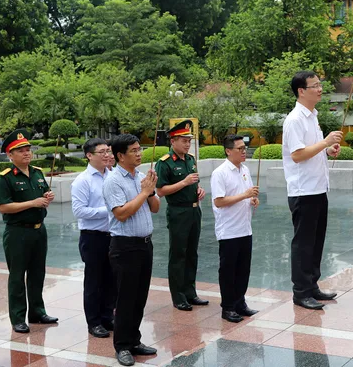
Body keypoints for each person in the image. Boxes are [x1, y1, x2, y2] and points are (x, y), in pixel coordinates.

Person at [282, 71, 342, 310]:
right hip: (302, 191)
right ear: (301, 91)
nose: (320, 89)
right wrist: (325, 142)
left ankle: (312, 286)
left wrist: (327, 149)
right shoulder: (295, 119)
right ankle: (301, 292)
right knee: (303, 243)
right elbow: (297, 155)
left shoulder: (312, 116)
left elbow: (311, 149)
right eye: (315, 85)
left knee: (316, 241)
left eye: (320, 84)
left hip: (318, 188)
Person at [103, 134, 160, 366]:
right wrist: (144, 192)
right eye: (134, 150)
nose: (139, 154)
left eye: (140, 149)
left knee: (140, 297)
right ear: (120, 156)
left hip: (145, 244)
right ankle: (122, 346)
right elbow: (122, 214)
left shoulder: (141, 178)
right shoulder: (113, 181)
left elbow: (154, 208)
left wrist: (152, 190)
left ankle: (134, 340)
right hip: (125, 246)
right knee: (126, 299)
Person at [0, 129, 58, 333]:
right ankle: (18, 318)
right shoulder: (5, 179)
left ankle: (37, 312)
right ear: (10, 155)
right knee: (17, 276)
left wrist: (47, 198)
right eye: (20, 150)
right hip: (17, 233)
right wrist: (33, 202)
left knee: (37, 273)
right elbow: (3, 207)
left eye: (28, 149)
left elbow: (41, 197)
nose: (26, 153)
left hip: (39, 231)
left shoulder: (38, 173)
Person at [156, 120, 207, 311]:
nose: (187, 144)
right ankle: (178, 296)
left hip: (195, 210)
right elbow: (161, 190)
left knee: (192, 253)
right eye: (184, 141)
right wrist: (184, 183)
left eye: (189, 141)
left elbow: (193, 182)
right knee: (178, 254)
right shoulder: (165, 163)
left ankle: (190, 292)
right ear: (173, 141)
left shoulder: (190, 159)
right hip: (178, 212)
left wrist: (199, 190)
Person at [210, 135, 260, 323]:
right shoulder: (220, 173)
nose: (243, 151)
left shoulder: (244, 169)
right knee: (228, 270)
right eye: (239, 148)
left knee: (243, 269)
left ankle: (240, 302)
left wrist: (252, 198)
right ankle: (228, 307)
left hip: (245, 228)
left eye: (244, 147)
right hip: (229, 230)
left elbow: (246, 195)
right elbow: (219, 201)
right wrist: (245, 194)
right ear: (228, 151)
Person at [71, 138, 116, 338]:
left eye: (108, 151)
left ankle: (108, 317)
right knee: (94, 282)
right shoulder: (82, 181)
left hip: (114, 236)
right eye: (102, 152)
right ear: (89, 156)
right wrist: (109, 211)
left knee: (111, 280)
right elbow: (79, 211)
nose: (107, 155)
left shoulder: (113, 175)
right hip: (93, 237)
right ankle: (94, 322)